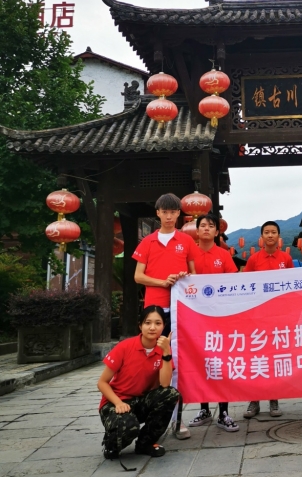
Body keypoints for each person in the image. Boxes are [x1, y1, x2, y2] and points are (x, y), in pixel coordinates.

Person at [97, 306, 180, 465]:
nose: (152, 327)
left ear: (163, 326)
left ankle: (145, 443)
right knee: (129, 428)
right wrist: (118, 403)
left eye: (158, 323)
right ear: (140, 326)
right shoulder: (125, 347)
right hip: (115, 403)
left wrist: (166, 353)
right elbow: (102, 383)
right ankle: (111, 443)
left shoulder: (163, 349)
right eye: (148, 323)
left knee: (170, 394)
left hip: (141, 402)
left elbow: (164, 384)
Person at [188, 213, 240, 432]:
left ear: (217, 231)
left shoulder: (223, 255)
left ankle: (224, 412)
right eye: (203, 225)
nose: (207, 229)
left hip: (220, 317)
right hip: (196, 317)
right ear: (197, 230)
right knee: (201, 361)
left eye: (211, 226)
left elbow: (233, 282)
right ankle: (204, 409)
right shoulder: (189, 254)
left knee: (221, 362)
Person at [243, 220, 294, 419]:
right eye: (267, 232)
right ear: (261, 237)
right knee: (256, 359)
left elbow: (292, 285)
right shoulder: (253, 260)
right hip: (257, 317)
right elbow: (245, 285)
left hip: (278, 317)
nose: (270, 235)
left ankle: (274, 399)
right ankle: (254, 401)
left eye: (273, 232)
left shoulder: (286, 259)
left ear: (278, 236)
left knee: (275, 358)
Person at [133, 192, 198, 335]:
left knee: (180, 343)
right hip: (155, 304)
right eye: (165, 212)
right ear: (158, 213)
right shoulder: (147, 242)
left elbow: (194, 273)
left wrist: (185, 276)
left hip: (181, 302)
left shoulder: (187, 240)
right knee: (155, 341)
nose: (169, 216)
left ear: (178, 213)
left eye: (173, 212)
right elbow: (138, 277)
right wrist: (163, 283)